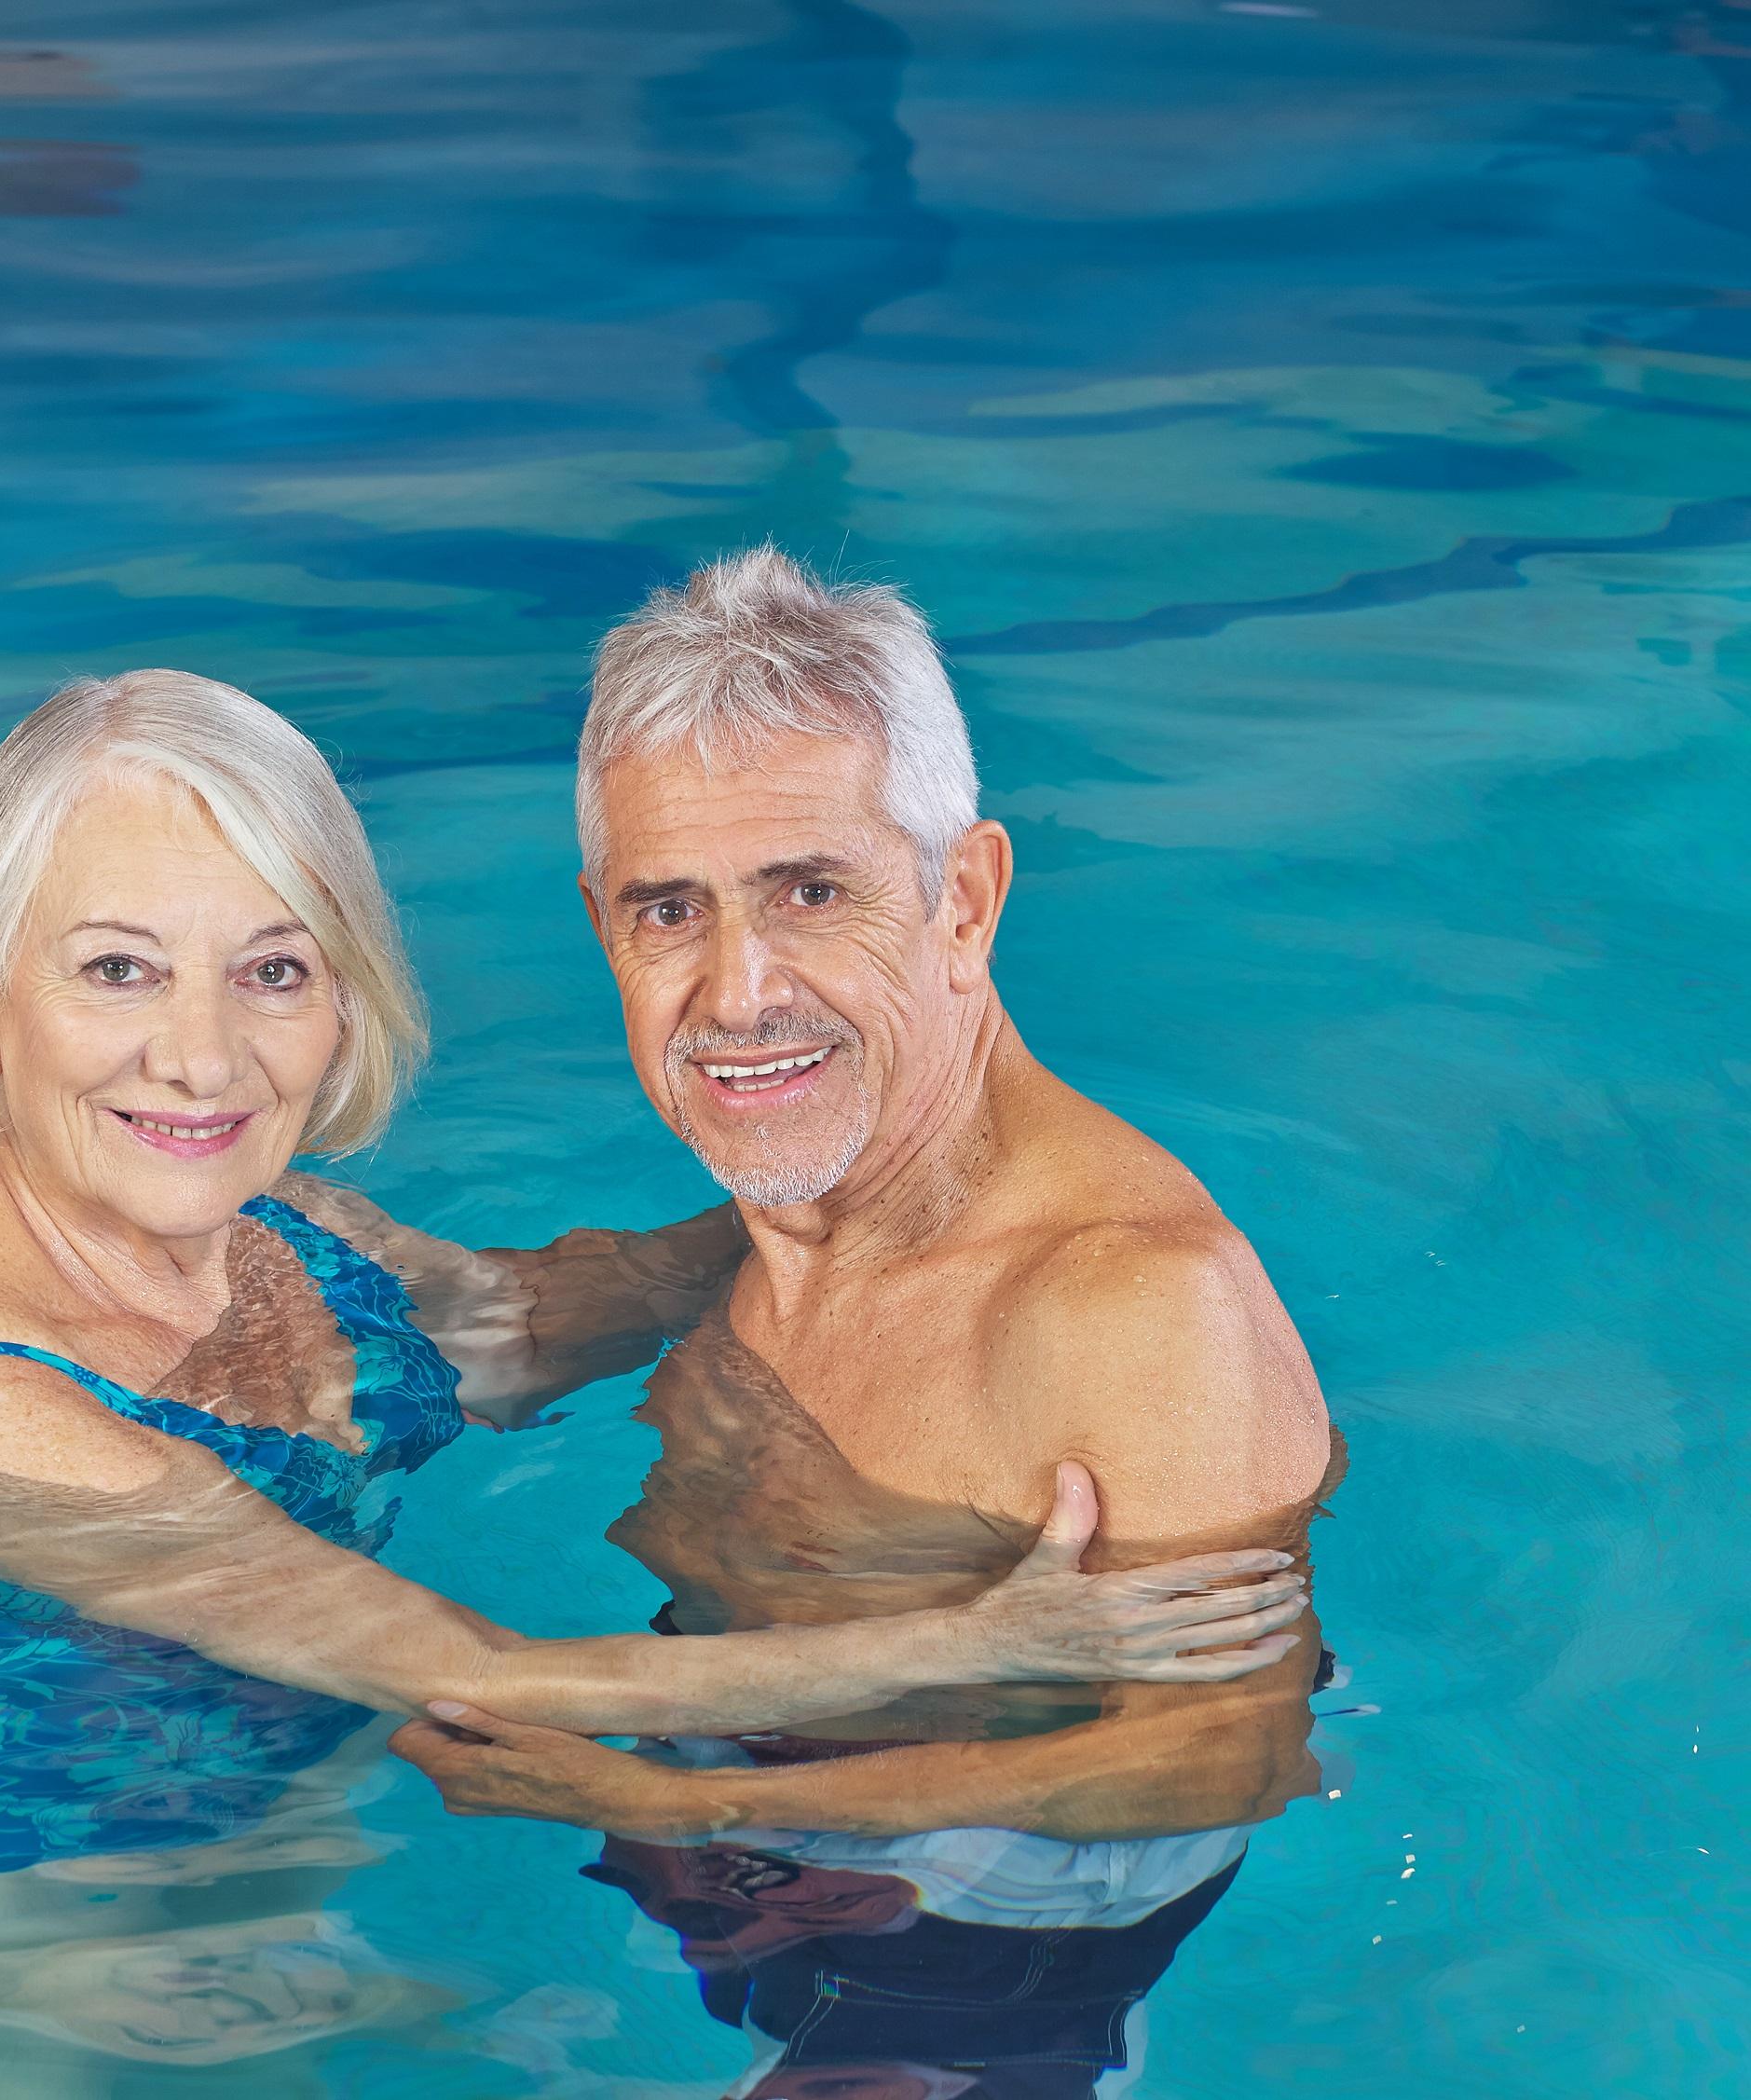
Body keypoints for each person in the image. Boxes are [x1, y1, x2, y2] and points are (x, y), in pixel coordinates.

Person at [0, 668, 1306, 2087]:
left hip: (251, 1809)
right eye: (119, 971)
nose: (203, 1058)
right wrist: (988, 1634)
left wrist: (875, 1182)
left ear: (342, 992)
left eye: (270, 970)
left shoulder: (281, 1227)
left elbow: (523, 1326)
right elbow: (494, 1683)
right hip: (3, 1918)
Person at [387, 552, 1343, 2096]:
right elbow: (547, 1314)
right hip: (733, 1812)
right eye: (669, 910)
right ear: (601, 926)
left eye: (810, 892)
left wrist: (712, 1817)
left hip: (977, 1931)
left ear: (962, 897)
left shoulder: (1128, 1300)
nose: (737, 991)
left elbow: (1226, 1753)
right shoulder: (776, 1215)